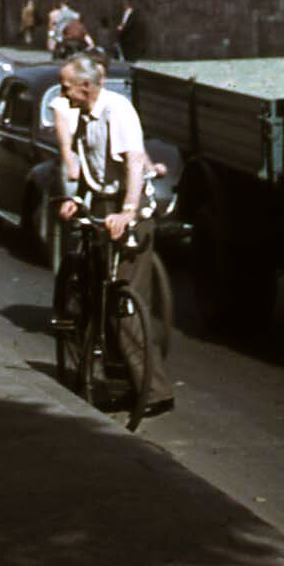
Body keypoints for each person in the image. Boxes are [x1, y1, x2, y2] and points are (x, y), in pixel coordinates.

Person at [51, 51, 174, 418]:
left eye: (66, 87)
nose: (63, 94)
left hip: (129, 205)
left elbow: (134, 162)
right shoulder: (84, 116)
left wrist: (128, 212)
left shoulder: (117, 110)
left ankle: (155, 392)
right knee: (99, 296)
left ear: (86, 86)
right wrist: (76, 200)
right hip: (104, 205)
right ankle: (117, 382)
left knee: (124, 305)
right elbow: (89, 169)